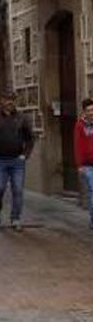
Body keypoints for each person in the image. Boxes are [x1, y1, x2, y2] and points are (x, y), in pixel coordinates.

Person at [0, 91, 35, 231]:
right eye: (7, 99)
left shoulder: (22, 118)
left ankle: (15, 218)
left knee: (18, 190)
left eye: (12, 99)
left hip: (17, 161)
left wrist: (25, 154)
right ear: (1, 101)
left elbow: (30, 139)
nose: (10, 102)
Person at [74, 98, 93, 229]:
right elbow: (77, 145)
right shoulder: (80, 125)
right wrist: (79, 165)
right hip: (87, 165)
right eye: (89, 110)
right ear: (84, 112)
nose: (91, 112)